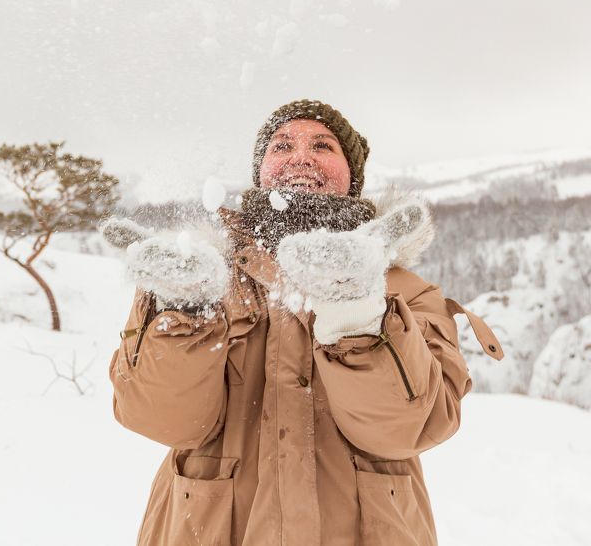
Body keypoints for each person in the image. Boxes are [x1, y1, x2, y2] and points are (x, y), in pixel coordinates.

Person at [104, 99, 503, 546]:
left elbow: (408, 428)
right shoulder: (199, 275)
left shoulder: (406, 291)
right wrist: (183, 311)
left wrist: (357, 310)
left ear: (353, 177)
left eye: (323, 145)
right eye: (281, 145)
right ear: (260, 172)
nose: (300, 157)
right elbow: (161, 420)